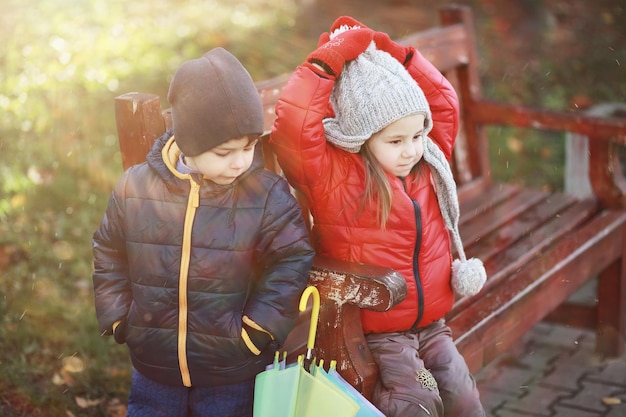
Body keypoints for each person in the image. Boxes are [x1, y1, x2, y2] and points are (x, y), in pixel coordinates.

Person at [270, 17, 487, 417]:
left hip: (433, 325)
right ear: (361, 137)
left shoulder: (428, 162)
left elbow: (443, 102)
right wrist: (327, 63)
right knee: (420, 401)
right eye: (396, 141)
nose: (411, 150)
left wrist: (396, 51)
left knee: (464, 398)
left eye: (418, 135)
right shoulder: (338, 176)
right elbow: (294, 130)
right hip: (383, 332)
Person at [92, 47, 315, 417]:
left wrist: (257, 329)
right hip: (154, 368)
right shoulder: (137, 188)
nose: (241, 161)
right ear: (190, 144)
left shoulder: (266, 196)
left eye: (249, 147)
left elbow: (291, 260)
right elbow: (109, 248)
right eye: (226, 152)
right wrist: (117, 315)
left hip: (231, 369)